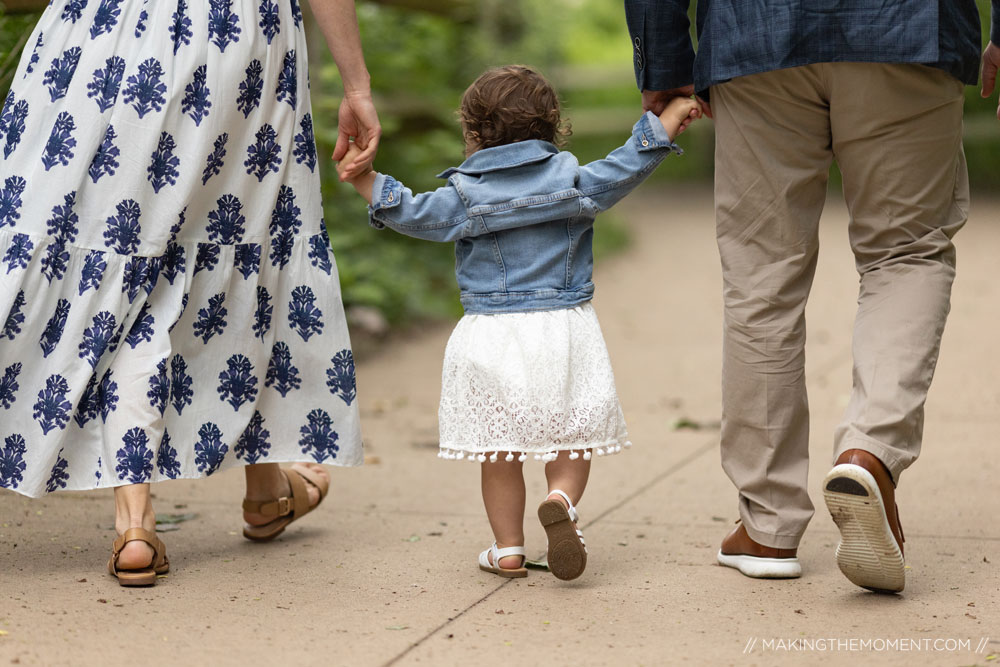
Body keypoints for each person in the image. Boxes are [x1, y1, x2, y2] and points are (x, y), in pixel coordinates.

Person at [625, 0, 1000, 593]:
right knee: (905, 253)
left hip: (755, 37)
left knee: (761, 276)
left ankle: (768, 524)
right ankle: (869, 450)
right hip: (908, 29)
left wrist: (665, 60)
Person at [0, 0, 379, 585]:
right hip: (231, 39)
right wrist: (357, 84)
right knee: (239, 243)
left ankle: (139, 522)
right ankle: (264, 490)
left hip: (93, 33)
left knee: (131, 256)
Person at [337, 65, 699, 580]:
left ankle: (507, 548)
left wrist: (364, 177)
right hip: (563, 329)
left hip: (491, 336)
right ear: (555, 128)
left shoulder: (463, 196)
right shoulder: (575, 182)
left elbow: (414, 213)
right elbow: (628, 163)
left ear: (473, 134)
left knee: (500, 449)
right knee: (570, 434)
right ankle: (561, 500)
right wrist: (673, 115)